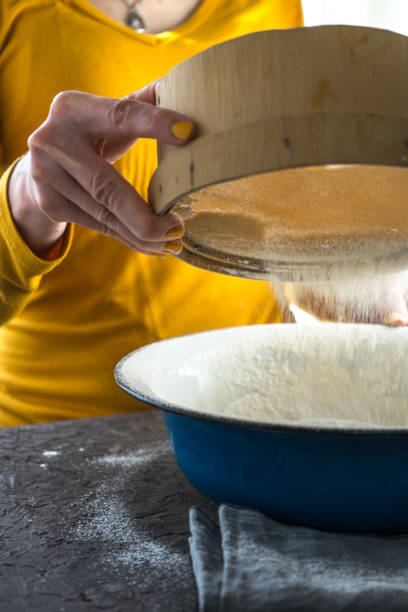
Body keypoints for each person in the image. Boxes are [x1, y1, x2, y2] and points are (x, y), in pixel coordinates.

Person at [0, 0, 304, 426]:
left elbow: (282, 202)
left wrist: (345, 283)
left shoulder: (276, 7)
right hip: (61, 438)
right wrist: (28, 198)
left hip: (254, 416)